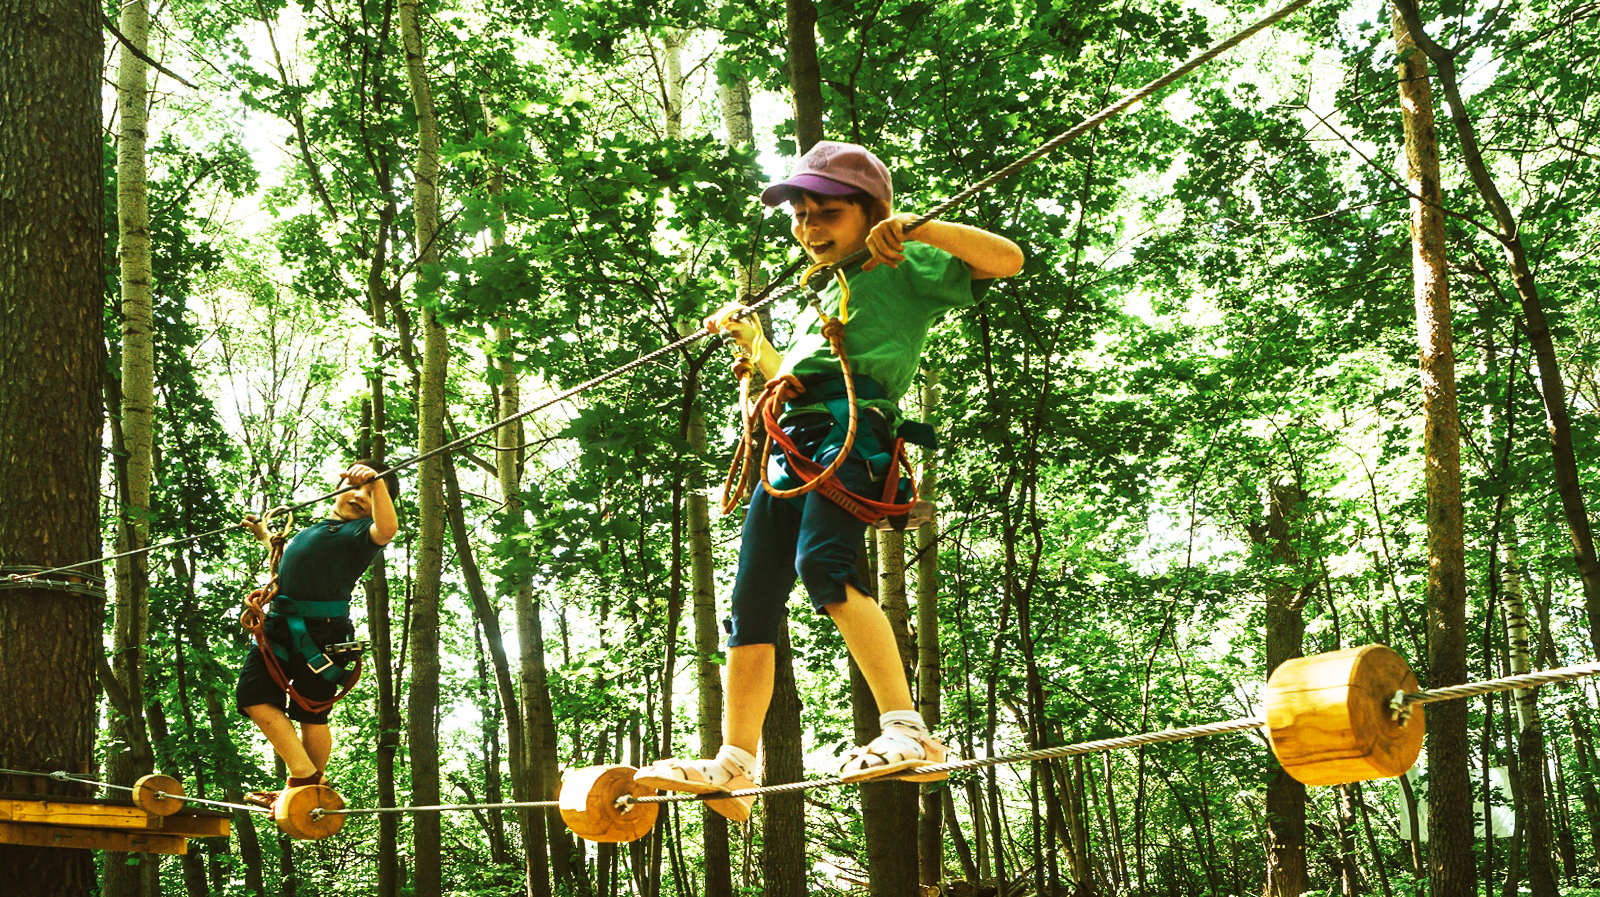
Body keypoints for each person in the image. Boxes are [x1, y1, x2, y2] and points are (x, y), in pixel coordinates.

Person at [635, 141, 1023, 819]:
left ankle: (908, 728)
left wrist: (919, 228)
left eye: (826, 212)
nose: (809, 226)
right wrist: (753, 342)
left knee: (826, 567)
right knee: (750, 599)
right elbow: (800, 371)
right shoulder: (825, 287)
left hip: (853, 429)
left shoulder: (902, 262)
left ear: (871, 212)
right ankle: (735, 763)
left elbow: (1008, 260)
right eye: (800, 214)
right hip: (792, 446)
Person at [236, 461, 400, 807]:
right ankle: (307, 778)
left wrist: (378, 484)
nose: (359, 496)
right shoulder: (314, 531)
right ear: (339, 489)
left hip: (322, 633)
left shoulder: (360, 536)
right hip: (279, 624)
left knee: (312, 712)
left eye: (369, 495)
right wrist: (265, 537)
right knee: (253, 696)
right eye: (356, 488)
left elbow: (387, 530)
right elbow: (290, 561)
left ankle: (303, 784)